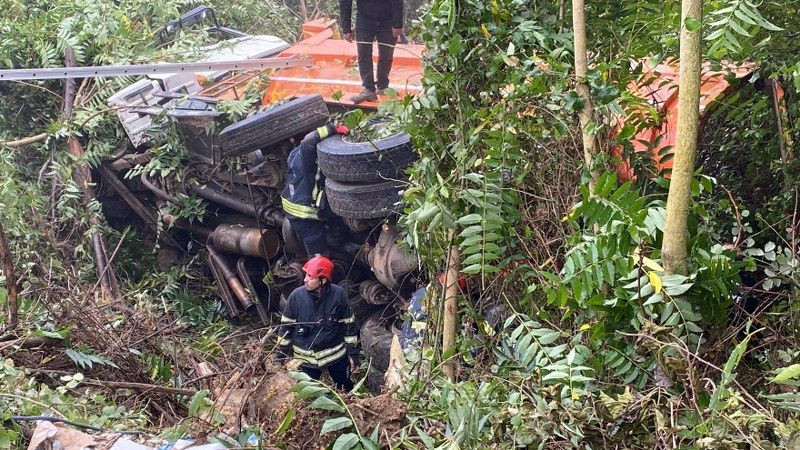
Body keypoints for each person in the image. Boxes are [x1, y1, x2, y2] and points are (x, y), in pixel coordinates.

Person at [276, 255, 359, 391]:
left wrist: (353, 354)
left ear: (323, 280)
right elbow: (285, 329)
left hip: (336, 357)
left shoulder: (338, 294)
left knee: (345, 388)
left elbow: (349, 324)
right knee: (305, 395)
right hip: (306, 360)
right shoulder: (296, 297)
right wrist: (279, 358)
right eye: (306, 275)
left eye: (310, 277)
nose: (305, 279)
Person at [280, 122, 349, 257]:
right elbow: (308, 141)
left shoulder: (294, 152)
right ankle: (318, 277)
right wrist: (332, 128)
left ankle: (337, 239)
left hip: (297, 204)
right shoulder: (305, 156)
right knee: (319, 256)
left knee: (338, 218)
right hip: (304, 215)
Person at [339, 0, 404, 104]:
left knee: (387, 54)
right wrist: (346, 29)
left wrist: (398, 24)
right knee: (363, 54)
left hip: (388, 20)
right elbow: (345, 2)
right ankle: (368, 89)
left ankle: (383, 86)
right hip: (364, 20)